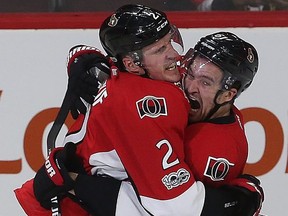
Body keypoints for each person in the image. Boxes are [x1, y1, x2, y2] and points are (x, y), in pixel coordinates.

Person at [15, 4, 263, 216]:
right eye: (161, 49)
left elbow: (168, 206)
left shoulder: (211, 145)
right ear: (131, 64)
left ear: (229, 94)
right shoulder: (156, 96)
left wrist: (76, 184)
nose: (187, 81)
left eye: (206, 82)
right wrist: (83, 56)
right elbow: (168, 204)